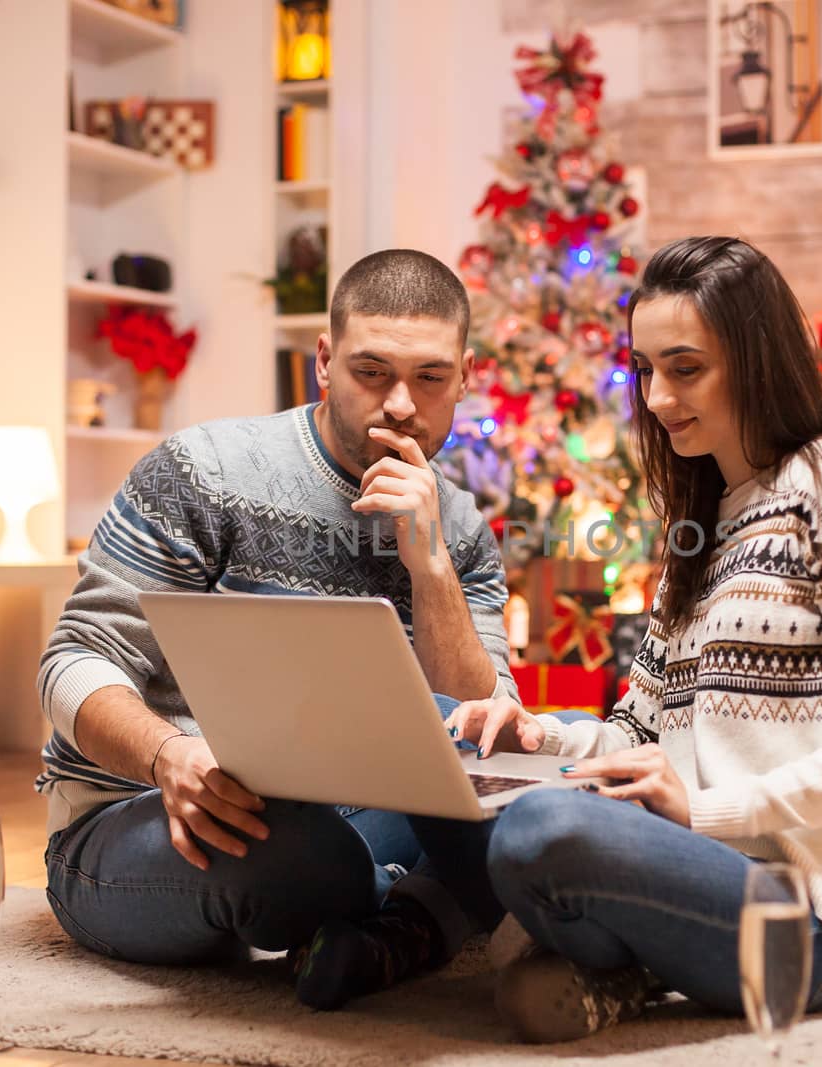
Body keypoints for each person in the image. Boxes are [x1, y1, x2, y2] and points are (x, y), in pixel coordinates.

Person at [447, 235, 822, 1043]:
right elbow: (639, 736)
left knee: (536, 834)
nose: (658, 396)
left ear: (755, 359)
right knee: (454, 739)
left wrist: (709, 809)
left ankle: (612, 962)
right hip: (696, 868)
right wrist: (543, 737)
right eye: (644, 370)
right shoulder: (699, 527)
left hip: (817, 922)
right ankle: (634, 967)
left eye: (685, 367)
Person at [35, 248, 511, 1009]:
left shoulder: (460, 528)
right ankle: (419, 906)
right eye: (371, 371)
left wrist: (431, 566)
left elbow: (482, 728)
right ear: (324, 361)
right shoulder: (203, 469)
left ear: (465, 377)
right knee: (307, 860)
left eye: (428, 377)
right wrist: (169, 756)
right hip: (155, 813)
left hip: (350, 806)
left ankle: (387, 920)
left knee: (545, 775)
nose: (398, 404)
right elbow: (71, 661)